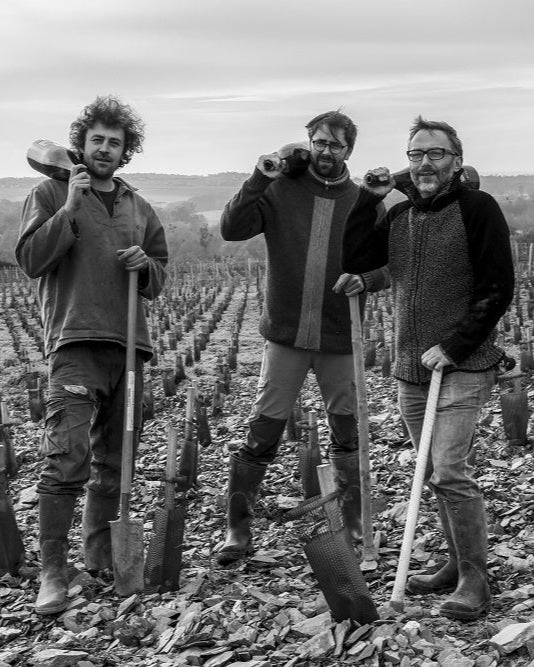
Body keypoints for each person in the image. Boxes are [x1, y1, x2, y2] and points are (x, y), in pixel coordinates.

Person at [341, 116, 514, 620]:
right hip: (410, 368)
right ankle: (454, 563)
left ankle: (475, 580)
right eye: (415, 154)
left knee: (449, 471)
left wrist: (456, 346)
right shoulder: (400, 214)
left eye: (435, 154)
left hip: (462, 363)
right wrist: (369, 198)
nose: (423, 164)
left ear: (456, 160)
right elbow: (354, 257)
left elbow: (497, 287)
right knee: (429, 473)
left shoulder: (478, 209)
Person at [16, 96, 168, 614]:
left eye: (115, 142)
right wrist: (69, 208)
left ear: (127, 152)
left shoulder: (138, 206)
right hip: (75, 341)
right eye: (96, 140)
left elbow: (159, 277)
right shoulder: (50, 191)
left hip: (129, 346)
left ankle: (101, 558)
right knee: (66, 456)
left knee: (116, 461)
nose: (105, 149)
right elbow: (32, 260)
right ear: (80, 145)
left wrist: (145, 264)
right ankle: (53, 572)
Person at [217, 110, 389, 566]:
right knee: (263, 429)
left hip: (339, 335)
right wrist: (259, 175)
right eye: (318, 142)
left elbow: (389, 264)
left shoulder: (364, 199)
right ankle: (238, 527)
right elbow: (232, 228)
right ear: (307, 143)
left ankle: (353, 520)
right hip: (286, 335)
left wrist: (366, 281)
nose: (325, 151)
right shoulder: (280, 187)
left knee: (348, 431)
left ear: (349, 149)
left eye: (334, 144)